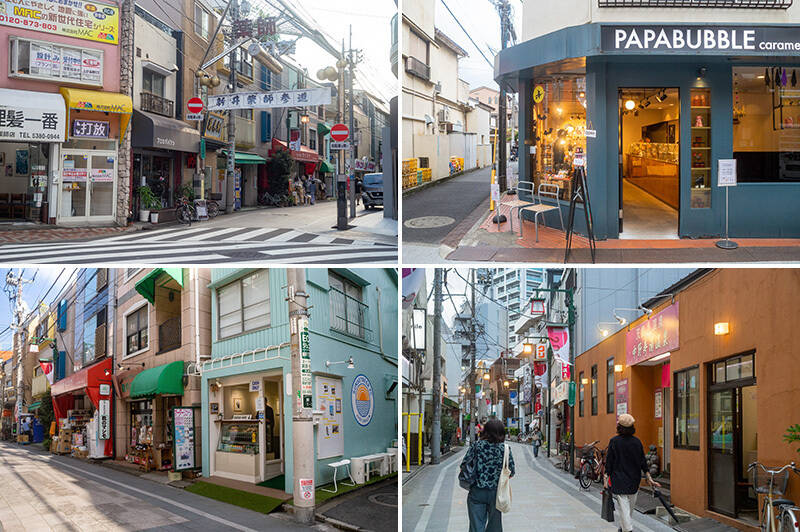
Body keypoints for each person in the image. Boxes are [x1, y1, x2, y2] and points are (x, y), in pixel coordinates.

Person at [605, 414, 660, 532]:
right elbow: (643, 462)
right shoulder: (637, 442)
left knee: (625, 509)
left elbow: (609, 461)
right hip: (634, 480)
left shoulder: (614, 441)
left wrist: (606, 478)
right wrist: (649, 477)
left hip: (619, 480)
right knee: (628, 509)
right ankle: (626, 529)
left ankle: (626, 529)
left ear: (619, 427)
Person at [461, 419, 515, 532]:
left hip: (477, 491)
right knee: (495, 526)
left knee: (476, 526)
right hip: (497, 493)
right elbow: (511, 472)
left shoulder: (476, 446)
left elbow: (464, 465)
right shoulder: (505, 449)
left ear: (485, 431)